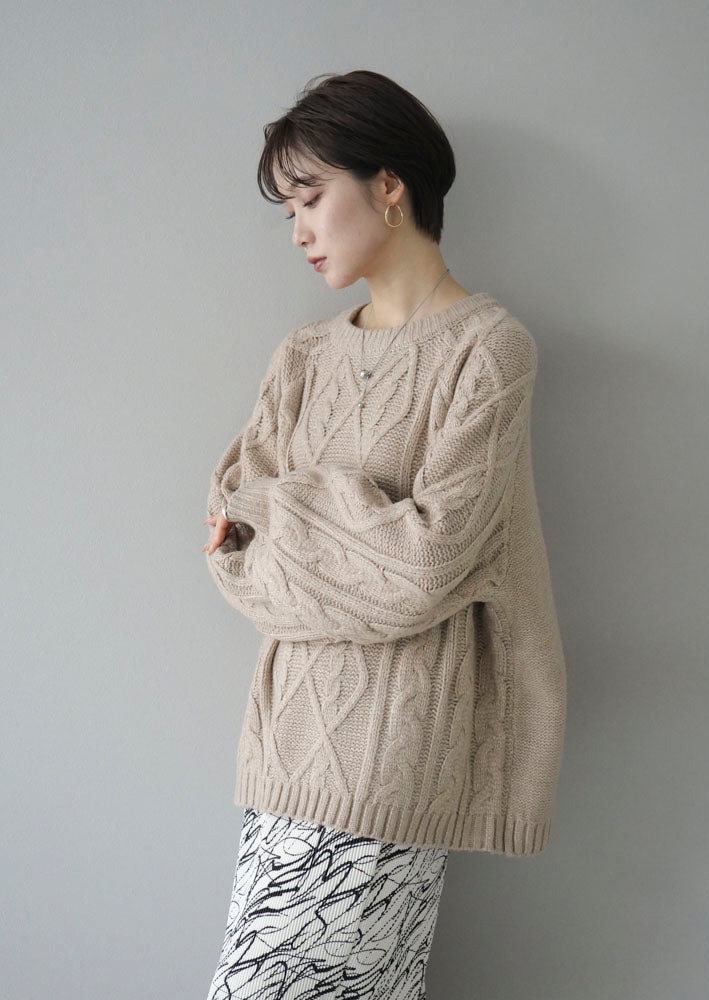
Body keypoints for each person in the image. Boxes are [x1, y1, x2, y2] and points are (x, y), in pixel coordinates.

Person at [201, 69, 567, 1000]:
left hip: (391, 755)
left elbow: (425, 566)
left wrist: (290, 513)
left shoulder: (488, 351)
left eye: (310, 196)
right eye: (288, 208)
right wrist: (352, 525)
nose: (298, 229)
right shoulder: (303, 355)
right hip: (279, 748)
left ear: (389, 184)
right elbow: (234, 550)